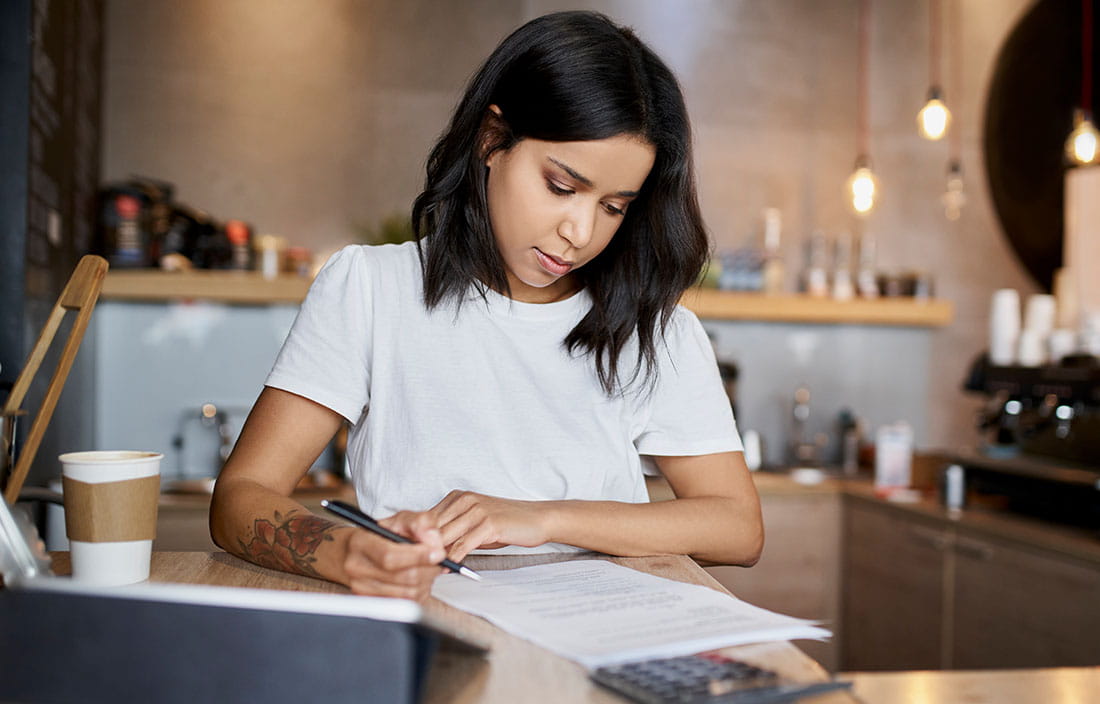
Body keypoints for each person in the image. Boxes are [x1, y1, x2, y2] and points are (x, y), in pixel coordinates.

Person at [210, 10, 763, 601]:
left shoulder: (656, 330)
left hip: (605, 637)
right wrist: (347, 552)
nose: (580, 230)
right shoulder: (372, 287)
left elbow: (738, 528)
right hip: (428, 618)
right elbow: (240, 496)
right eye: (561, 186)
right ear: (492, 140)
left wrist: (541, 518)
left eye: (614, 206)